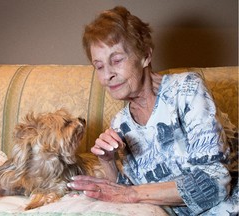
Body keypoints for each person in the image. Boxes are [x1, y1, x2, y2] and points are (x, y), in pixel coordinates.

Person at [67, 6, 238, 215]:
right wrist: (108, 162)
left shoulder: (186, 90)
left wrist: (132, 194)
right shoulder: (120, 124)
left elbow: (216, 183)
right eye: (99, 66)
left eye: (117, 60)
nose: (107, 76)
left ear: (146, 55)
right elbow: (127, 191)